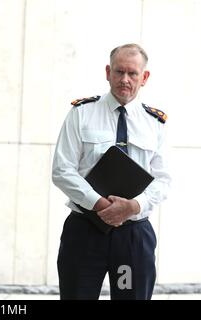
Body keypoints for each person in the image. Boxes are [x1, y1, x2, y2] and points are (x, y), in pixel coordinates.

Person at [52, 43, 171, 300]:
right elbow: (62, 170)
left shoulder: (155, 124)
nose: (124, 80)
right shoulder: (81, 114)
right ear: (108, 72)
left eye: (132, 73)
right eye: (118, 72)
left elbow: (163, 180)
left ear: (144, 77)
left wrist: (133, 206)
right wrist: (99, 204)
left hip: (132, 237)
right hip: (85, 231)